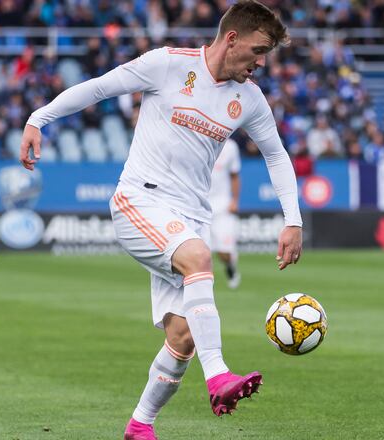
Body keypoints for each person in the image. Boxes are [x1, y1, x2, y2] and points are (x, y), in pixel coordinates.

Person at [18, 2, 303, 439]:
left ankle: (140, 425)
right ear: (231, 39)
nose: (262, 63)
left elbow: (276, 155)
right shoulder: (167, 65)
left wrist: (293, 220)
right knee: (199, 258)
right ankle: (219, 377)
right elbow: (99, 88)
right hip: (139, 200)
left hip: (188, 217)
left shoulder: (249, 98)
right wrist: (40, 118)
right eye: (258, 50)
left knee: (184, 334)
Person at [208, 138, 242, 289]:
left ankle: (231, 267)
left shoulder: (230, 147)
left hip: (222, 206)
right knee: (200, 253)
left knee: (224, 253)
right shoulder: (196, 140)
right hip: (200, 206)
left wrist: (234, 200)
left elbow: (234, 175)